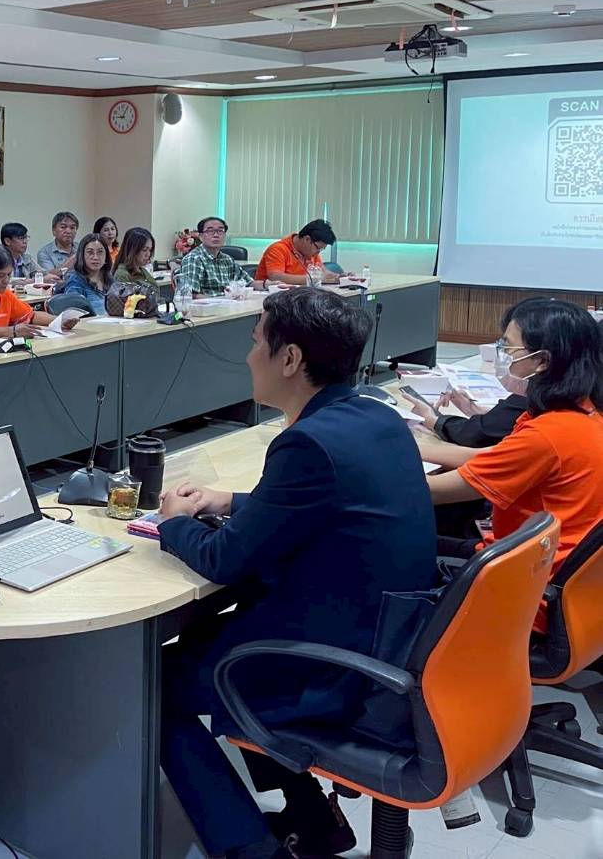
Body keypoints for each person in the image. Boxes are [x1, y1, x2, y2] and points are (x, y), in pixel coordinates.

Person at [157, 288, 435, 859]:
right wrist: (229, 500)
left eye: (256, 341)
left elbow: (223, 559)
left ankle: (251, 849)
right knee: (206, 637)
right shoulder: (376, 416)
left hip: (334, 662)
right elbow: (323, 503)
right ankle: (312, 819)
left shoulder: (306, 442)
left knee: (152, 685)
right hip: (390, 640)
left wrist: (173, 523)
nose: (248, 355)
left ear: (289, 359)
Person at [424, 298, 603, 573]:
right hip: (543, 558)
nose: (502, 355)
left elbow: (432, 492)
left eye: (507, 347)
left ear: (542, 361)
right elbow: (492, 457)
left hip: (523, 573)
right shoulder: (583, 411)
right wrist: (411, 445)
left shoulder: (546, 435)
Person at [177, 215, 253, 297]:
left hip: (229, 302)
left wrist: (263, 285)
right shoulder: (194, 259)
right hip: (208, 304)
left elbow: (249, 282)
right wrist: (221, 302)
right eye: (210, 231)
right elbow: (190, 294)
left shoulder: (227, 259)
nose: (216, 235)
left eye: (220, 231)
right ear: (201, 237)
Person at [255, 219, 340, 286]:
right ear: (307, 239)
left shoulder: (311, 252)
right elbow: (275, 277)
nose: (318, 253)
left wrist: (339, 277)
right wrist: (313, 279)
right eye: (318, 248)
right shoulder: (278, 249)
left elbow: (324, 272)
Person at [58, 235, 113, 316]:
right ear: (82, 255)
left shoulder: (109, 279)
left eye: (100, 252)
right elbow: (71, 314)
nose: (95, 257)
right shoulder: (75, 280)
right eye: (90, 252)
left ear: (106, 256)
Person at [111, 226, 159, 297]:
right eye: (144, 250)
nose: (148, 254)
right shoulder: (122, 275)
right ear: (132, 250)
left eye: (150, 250)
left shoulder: (142, 270)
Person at [35, 211, 79, 276]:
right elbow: (48, 276)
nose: (68, 231)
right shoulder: (44, 253)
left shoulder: (82, 248)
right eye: (63, 227)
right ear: (54, 231)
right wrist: (69, 263)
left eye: (72, 228)